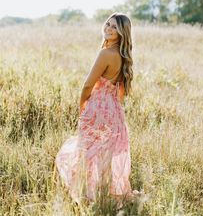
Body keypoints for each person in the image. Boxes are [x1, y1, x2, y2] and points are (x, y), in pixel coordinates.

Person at [55, 12, 140, 208]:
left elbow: (87, 85)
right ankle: (102, 197)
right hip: (114, 111)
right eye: (108, 24)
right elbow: (120, 92)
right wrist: (112, 109)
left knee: (86, 153)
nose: (108, 29)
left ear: (121, 33)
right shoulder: (123, 56)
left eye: (114, 27)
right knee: (104, 158)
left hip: (98, 109)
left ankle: (87, 198)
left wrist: (82, 108)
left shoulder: (105, 54)